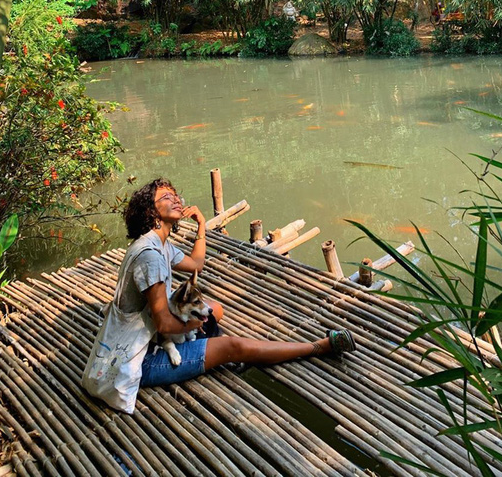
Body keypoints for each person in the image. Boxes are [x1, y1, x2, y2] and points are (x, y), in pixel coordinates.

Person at [83, 177, 356, 413]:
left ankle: (202, 338)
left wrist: (202, 225)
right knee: (231, 347)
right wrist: (196, 323)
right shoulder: (151, 256)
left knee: (216, 309)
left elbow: (196, 264)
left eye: (175, 194)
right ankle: (317, 347)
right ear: (151, 213)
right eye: (166, 197)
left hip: (152, 336)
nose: (176, 199)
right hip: (139, 358)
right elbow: (165, 324)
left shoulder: (160, 245)